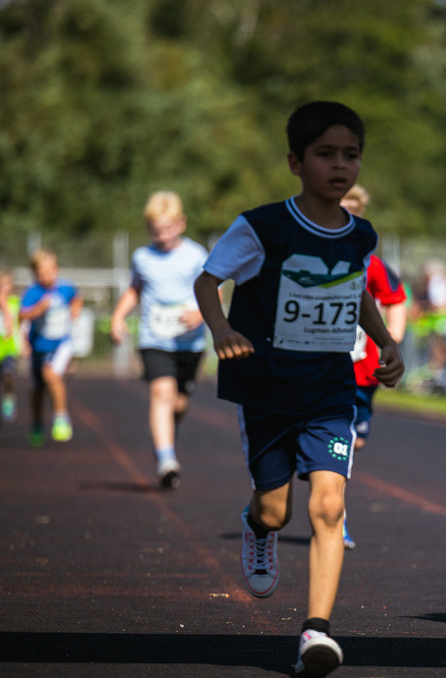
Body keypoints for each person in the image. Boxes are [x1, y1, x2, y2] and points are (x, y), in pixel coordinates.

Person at [193, 100, 403, 678]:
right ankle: (257, 525)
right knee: (276, 508)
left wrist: (385, 340)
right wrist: (223, 330)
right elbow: (208, 281)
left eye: (351, 155)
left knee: (329, 504)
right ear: (296, 161)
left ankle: (317, 631)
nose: (340, 166)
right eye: (326, 154)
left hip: (329, 390)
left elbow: (355, 288)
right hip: (265, 388)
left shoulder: (361, 233)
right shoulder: (262, 226)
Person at [109, 191, 209, 489]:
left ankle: (165, 435)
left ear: (181, 224)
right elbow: (134, 290)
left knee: (178, 404)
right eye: (156, 231)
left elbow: (212, 291)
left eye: (167, 229)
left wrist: (200, 314)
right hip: (154, 338)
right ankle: (166, 460)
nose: (162, 236)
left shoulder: (197, 255)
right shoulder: (142, 257)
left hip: (189, 343)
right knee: (161, 393)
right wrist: (117, 317)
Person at [339, 184, 408, 550]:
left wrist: (390, 340)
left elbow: (395, 300)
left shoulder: (373, 264)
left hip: (364, 367)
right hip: (325, 366)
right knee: (340, 442)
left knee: (356, 440)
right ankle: (337, 518)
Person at [19, 248, 82, 446]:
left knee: (50, 374)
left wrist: (74, 310)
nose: (47, 276)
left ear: (57, 269)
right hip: (39, 345)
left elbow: (76, 298)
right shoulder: (33, 293)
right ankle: (37, 424)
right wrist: (37, 310)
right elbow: (22, 315)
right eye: (42, 273)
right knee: (37, 389)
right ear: (35, 274)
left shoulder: (65, 288)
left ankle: (61, 417)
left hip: (61, 343)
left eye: (50, 271)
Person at [0, 270, 21, 424]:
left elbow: (19, 323)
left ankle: (8, 398)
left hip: (9, 348)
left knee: (8, 375)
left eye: (6, 284)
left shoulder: (15, 302)